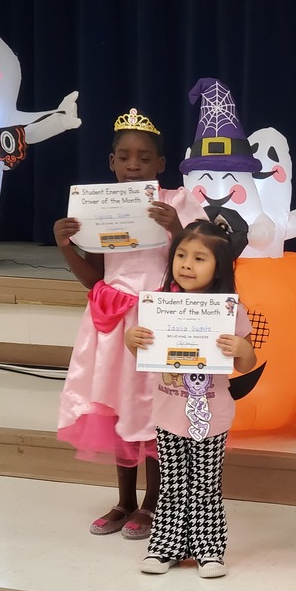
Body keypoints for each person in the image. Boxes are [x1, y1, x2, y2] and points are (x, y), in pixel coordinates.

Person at [56, 109, 204, 540]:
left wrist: (175, 228)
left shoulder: (176, 202)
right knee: (118, 408)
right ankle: (123, 501)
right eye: (124, 157)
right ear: (111, 162)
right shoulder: (102, 208)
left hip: (157, 320)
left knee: (149, 408)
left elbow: (197, 261)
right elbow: (95, 277)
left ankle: (152, 502)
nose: (133, 165)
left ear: (161, 163)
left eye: (143, 157)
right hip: (112, 320)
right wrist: (66, 245)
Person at [124, 222, 256, 576]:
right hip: (168, 413)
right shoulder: (158, 302)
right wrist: (131, 338)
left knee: (206, 484)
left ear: (220, 266)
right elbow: (137, 347)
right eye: (181, 255)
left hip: (212, 415)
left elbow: (248, 361)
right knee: (172, 482)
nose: (187, 264)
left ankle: (209, 549)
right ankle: (165, 547)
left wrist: (241, 348)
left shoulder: (230, 310)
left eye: (199, 258)